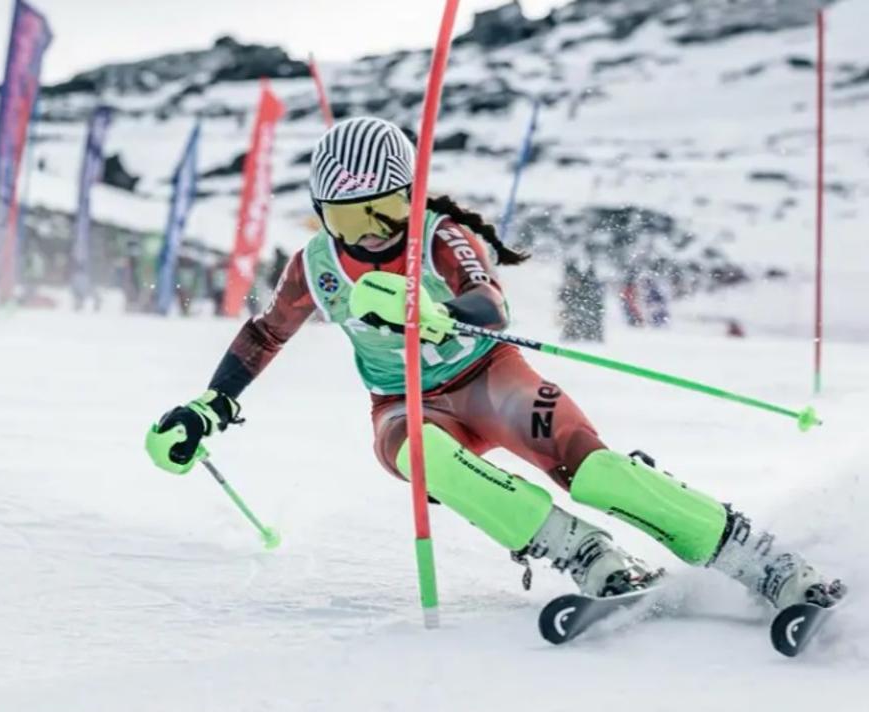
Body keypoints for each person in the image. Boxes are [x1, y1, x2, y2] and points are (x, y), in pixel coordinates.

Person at [145, 117, 843, 611]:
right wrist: (210, 406)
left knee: (594, 471)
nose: (369, 235)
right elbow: (267, 333)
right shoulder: (317, 265)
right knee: (425, 460)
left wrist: (432, 308)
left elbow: (491, 306)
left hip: (489, 378)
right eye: (348, 218)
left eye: (384, 213)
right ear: (321, 215)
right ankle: (580, 550)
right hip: (405, 402)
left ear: (411, 198)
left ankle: (756, 556)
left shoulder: (438, 236)